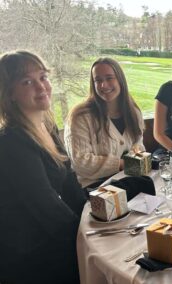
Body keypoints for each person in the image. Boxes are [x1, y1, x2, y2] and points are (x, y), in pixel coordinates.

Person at [0, 50, 87, 283]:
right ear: (10, 94)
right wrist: (88, 237)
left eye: (43, 77)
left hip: (50, 235)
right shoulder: (11, 141)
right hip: (28, 256)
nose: (41, 87)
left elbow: (70, 184)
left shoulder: (46, 125)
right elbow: (46, 206)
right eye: (27, 81)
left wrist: (97, 213)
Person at [64, 58, 145, 188]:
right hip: (95, 189)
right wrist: (121, 164)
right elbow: (80, 162)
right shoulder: (80, 117)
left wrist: (134, 159)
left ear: (120, 79)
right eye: (98, 80)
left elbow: (138, 145)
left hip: (129, 179)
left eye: (109, 78)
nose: (103, 85)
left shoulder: (134, 112)